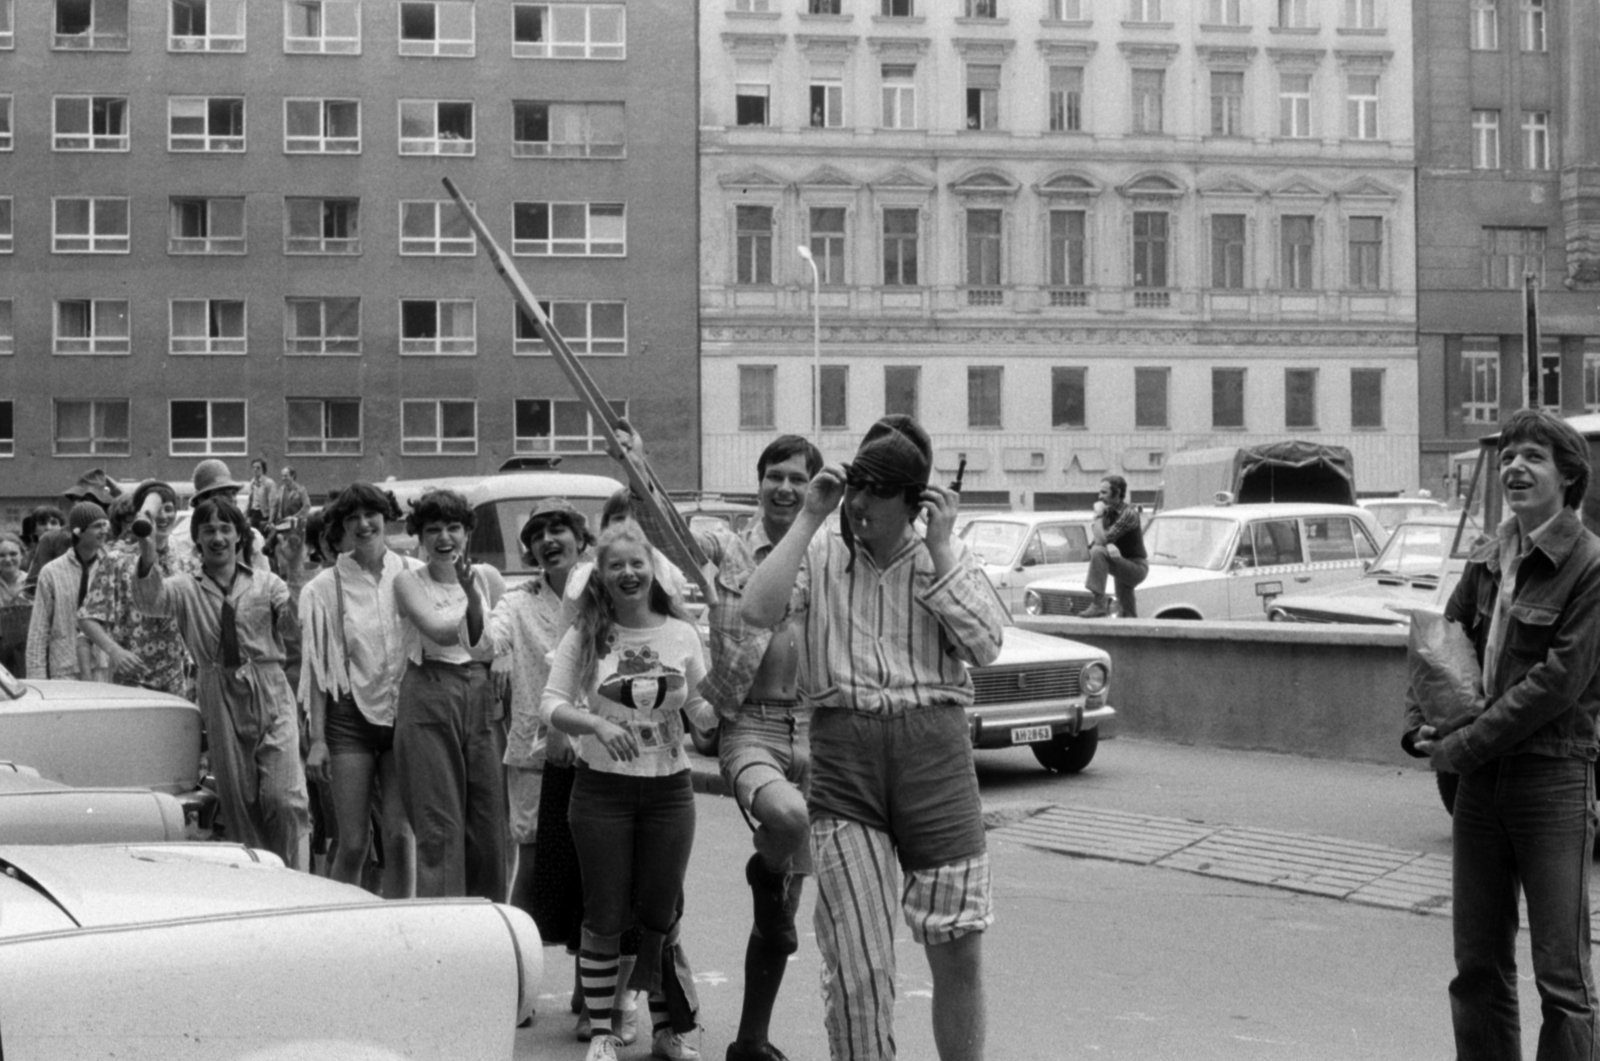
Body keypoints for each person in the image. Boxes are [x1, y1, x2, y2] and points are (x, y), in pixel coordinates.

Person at [742, 414, 1005, 1061]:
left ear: (914, 501)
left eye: (877, 491)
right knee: (856, 961)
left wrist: (944, 549)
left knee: (957, 945)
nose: (859, 504)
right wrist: (807, 518)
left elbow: (988, 645)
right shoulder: (822, 554)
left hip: (934, 755)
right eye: (856, 485)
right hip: (846, 755)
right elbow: (756, 608)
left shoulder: (944, 557)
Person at [624, 431, 823, 1061]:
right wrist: (637, 466)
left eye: (798, 478)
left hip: (816, 730)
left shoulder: (830, 556)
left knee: (781, 925)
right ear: (759, 483)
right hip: (750, 728)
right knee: (786, 821)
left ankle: (751, 1041)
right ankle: (764, 868)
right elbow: (663, 533)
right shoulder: (727, 548)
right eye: (776, 476)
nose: (785, 488)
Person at [1410, 408, 1600, 1060]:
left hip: (1552, 776)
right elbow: (1444, 642)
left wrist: (1461, 746)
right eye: (1510, 455)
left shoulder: (1588, 564)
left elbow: (1557, 684)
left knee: (1562, 978)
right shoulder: (1490, 555)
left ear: (1568, 474)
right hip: (1482, 784)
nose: (1515, 466)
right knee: (1478, 966)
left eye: (1534, 456)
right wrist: (1418, 722)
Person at [541, 519, 710, 1061]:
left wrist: (722, 718)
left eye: (637, 563)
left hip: (669, 791)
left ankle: (667, 1032)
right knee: (606, 914)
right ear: (602, 577)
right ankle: (602, 1033)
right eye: (617, 566)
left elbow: (701, 709)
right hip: (601, 794)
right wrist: (595, 725)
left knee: (663, 912)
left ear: (652, 570)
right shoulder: (587, 634)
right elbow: (551, 703)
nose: (628, 573)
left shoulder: (681, 634)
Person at [133, 495, 313, 870]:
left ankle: (295, 875)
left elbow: (294, 627)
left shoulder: (267, 582)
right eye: (208, 530)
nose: (217, 537)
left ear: (239, 536)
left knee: (285, 798)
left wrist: (295, 566)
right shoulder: (185, 587)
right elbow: (150, 601)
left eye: (225, 529)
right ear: (197, 538)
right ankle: (260, 880)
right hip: (218, 691)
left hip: (270, 687)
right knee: (240, 802)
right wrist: (147, 550)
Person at [298, 483, 421, 898]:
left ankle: (403, 926)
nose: (363, 524)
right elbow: (316, 670)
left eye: (371, 514)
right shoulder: (323, 587)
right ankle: (341, 929)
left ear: (385, 517)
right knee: (353, 843)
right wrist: (317, 740)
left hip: (404, 716)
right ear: (342, 527)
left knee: (400, 835)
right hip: (348, 719)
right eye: (352, 518)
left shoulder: (412, 573)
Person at [392, 488, 508, 899]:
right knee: (439, 824)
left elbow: (506, 637)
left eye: (454, 527)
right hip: (429, 692)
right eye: (433, 529)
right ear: (419, 537)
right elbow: (439, 630)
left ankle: (488, 925)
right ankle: (443, 929)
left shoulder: (491, 578)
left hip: (480, 694)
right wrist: (472, 602)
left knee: (491, 823)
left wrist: (503, 655)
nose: (445, 538)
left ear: (468, 533)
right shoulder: (408, 581)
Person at [78, 480, 191, 697]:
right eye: (159, 509)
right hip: (133, 678)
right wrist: (116, 652)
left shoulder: (185, 562)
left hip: (177, 679)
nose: (164, 516)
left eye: (170, 509)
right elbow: (87, 618)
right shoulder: (117, 560)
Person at [26, 501, 110, 680]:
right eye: (97, 526)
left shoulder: (112, 566)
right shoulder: (52, 572)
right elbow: (38, 631)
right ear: (78, 531)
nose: (104, 531)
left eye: (105, 525)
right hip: (66, 667)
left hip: (104, 666)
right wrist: (38, 679)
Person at [1080, 474, 1147, 619]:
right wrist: (1107, 542)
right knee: (1126, 612)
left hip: (1136, 567)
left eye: (1104, 492)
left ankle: (1098, 604)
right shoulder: (1109, 512)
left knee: (1099, 552)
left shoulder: (1128, 514)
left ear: (1117, 494)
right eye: (1100, 492)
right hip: (1120, 562)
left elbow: (1100, 542)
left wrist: (1098, 516)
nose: (1099, 497)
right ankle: (1131, 633)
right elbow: (1095, 543)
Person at [0, 531, 28, 675]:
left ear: (22, 555)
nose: (7, 559)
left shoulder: (32, 583)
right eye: (2, 555)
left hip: (25, 650)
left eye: (13, 554)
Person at [246, 458, 278, 532]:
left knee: (262, 535)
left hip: (263, 514)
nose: (255, 470)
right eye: (253, 467)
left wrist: (270, 520)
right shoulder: (252, 482)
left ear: (263, 469)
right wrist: (246, 515)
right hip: (253, 513)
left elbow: (272, 503)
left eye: (258, 468)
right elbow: (250, 500)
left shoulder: (269, 483)